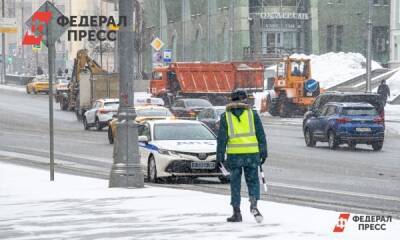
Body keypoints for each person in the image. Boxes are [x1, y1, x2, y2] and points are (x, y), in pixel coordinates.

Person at [216, 90, 268, 223]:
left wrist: (220, 156)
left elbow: (222, 139)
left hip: (234, 156)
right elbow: (260, 134)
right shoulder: (253, 114)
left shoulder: (225, 116)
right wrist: (263, 151)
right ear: (245, 100)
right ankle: (254, 205)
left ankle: (237, 212)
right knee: (253, 181)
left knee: (235, 184)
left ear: (231, 100)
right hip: (252, 154)